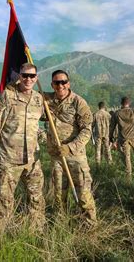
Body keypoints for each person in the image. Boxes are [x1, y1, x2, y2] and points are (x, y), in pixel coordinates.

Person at [0, 63, 45, 228]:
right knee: (3, 200)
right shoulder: (8, 96)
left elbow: (49, 120)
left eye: (32, 76)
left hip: (32, 159)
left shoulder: (39, 99)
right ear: (19, 76)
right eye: (25, 75)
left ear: (36, 78)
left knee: (36, 198)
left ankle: (35, 231)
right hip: (9, 158)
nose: (28, 79)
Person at [45, 69, 97, 223]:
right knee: (59, 195)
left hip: (75, 157)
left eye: (63, 82)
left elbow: (87, 131)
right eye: (56, 82)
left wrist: (70, 147)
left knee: (83, 194)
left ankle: (90, 225)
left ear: (69, 83)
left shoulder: (78, 102)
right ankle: (62, 224)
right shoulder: (47, 101)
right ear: (52, 85)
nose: (60, 85)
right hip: (57, 157)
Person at [110, 95, 134, 180]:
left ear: (121, 103)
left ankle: (128, 178)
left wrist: (111, 138)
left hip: (123, 139)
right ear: (129, 103)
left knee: (126, 158)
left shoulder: (117, 114)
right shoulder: (133, 111)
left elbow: (112, 127)